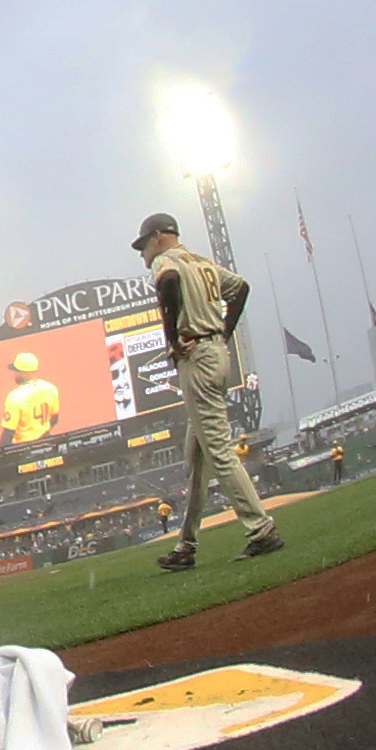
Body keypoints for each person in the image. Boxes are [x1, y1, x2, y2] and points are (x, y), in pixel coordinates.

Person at [131, 212, 284, 571]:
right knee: (197, 459)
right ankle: (186, 546)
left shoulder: (168, 261)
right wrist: (225, 331)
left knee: (218, 450)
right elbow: (241, 288)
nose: (143, 255)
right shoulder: (200, 261)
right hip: (216, 351)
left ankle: (261, 530)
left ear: (157, 237)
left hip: (196, 357)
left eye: (143, 246)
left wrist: (171, 339)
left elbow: (167, 281)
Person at [0, 351, 60, 446]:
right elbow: (54, 419)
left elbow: (8, 434)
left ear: (23, 373)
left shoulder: (15, 397)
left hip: (24, 447)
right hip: (46, 441)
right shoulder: (51, 388)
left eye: (16, 371)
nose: (14, 374)